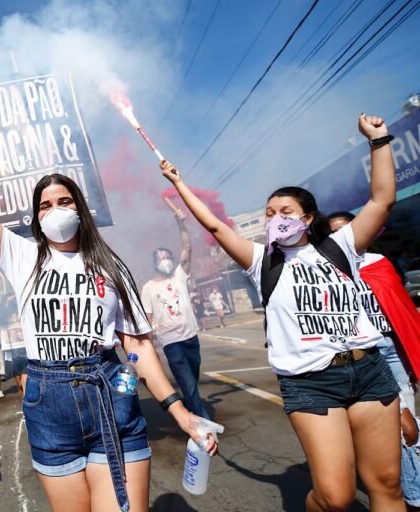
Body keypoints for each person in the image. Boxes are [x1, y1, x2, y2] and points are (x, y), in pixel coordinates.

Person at [0, 121, 215, 512]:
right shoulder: (21, 256)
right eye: (45, 205)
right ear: (36, 218)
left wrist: (180, 412)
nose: (55, 210)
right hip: (49, 403)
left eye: (64, 201)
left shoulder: (111, 267)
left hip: (110, 392)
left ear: (81, 209)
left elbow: (137, 345)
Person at [160, 113, 403, 510]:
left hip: (369, 370)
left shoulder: (341, 246)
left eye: (285, 211)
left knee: (387, 483)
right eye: (269, 213)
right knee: (335, 497)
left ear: (308, 218)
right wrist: (178, 183)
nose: (275, 218)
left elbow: (382, 199)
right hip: (311, 383)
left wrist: (378, 141)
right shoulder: (261, 261)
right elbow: (217, 229)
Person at [329, 211, 420, 510]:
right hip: (365, 355)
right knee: (398, 426)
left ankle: (406, 491)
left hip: (393, 348)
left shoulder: (379, 264)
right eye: (334, 233)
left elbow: (403, 314)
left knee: (408, 430)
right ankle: (411, 496)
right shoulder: (327, 272)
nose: (343, 237)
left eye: (348, 229)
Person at [141, 209, 210, 419]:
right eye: (161, 258)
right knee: (188, 386)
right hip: (172, 344)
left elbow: (188, 247)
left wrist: (181, 223)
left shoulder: (179, 276)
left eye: (168, 257)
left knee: (192, 383)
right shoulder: (148, 288)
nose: (166, 261)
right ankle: (203, 424)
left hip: (191, 339)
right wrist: (150, 350)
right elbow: (148, 320)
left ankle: (191, 409)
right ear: (154, 263)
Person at [0, 295, 28, 398]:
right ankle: (21, 390)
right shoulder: (3, 316)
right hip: (12, 347)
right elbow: (1, 321)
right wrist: (7, 302)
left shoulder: (22, 311)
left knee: (26, 369)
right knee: (17, 372)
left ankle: (25, 391)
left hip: (24, 346)